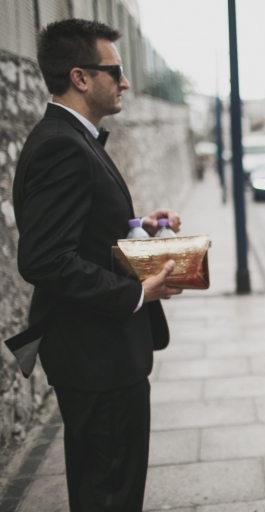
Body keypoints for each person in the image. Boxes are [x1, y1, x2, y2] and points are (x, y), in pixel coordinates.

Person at [10, 19, 182, 511]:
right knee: (109, 493)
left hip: (98, 354)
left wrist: (140, 227)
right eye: (115, 71)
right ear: (81, 77)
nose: (125, 82)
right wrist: (137, 292)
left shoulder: (71, 136)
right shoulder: (61, 145)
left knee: (107, 486)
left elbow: (78, 232)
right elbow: (45, 259)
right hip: (97, 357)